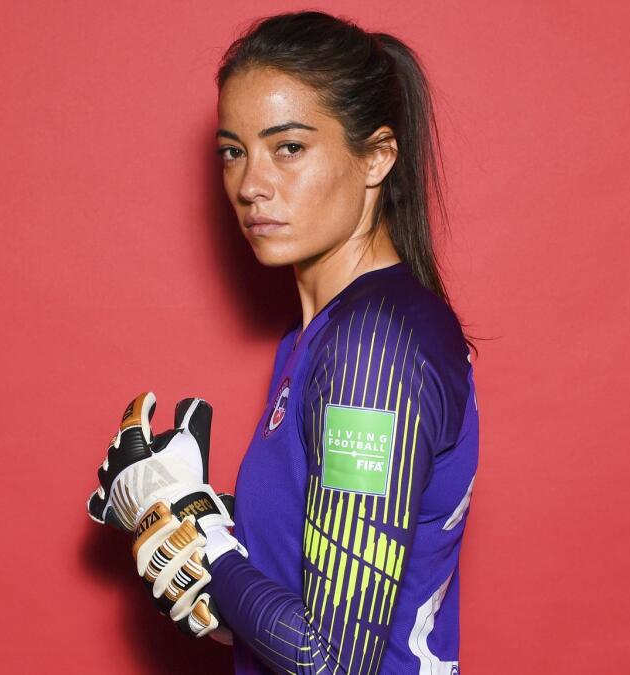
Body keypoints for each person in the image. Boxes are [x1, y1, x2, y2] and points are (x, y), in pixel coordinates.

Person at [88, 10, 480, 674]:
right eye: (233, 151)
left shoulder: (373, 349)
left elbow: (332, 661)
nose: (250, 185)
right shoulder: (317, 338)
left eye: (289, 147)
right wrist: (193, 532)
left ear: (378, 156)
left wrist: (200, 537)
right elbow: (317, 587)